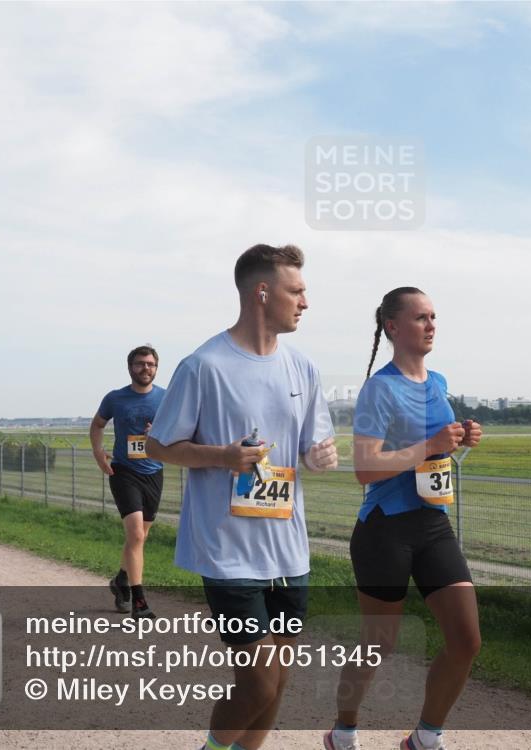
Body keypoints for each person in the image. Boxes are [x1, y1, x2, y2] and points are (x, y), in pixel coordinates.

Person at [146, 244, 338, 750]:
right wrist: (223, 458)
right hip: (228, 551)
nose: (305, 302)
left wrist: (319, 459)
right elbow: (160, 445)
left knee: (279, 681)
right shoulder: (204, 365)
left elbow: (310, 448)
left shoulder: (304, 369)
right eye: (296, 291)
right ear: (262, 292)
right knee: (256, 683)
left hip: (288, 550)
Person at [324, 288, 483, 750]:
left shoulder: (438, 382)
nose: (431, 325)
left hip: (432, 524)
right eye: (420, 318)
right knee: (380, 644)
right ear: (393, 327)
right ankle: (343, 730)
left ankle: (425, 738)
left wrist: (464, 437)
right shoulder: (380, 388)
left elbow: (437, 444)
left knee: (466, 639)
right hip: (385, 529)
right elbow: (365, 468)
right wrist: (432, 445)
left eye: (434, 317)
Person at [90, 345, 166, 619]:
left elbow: (181, 432)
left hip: (154, 472)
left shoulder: (166, 398)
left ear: (156, 368)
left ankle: (121, 580)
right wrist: (99, 454)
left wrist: (160, 432)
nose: (145, 368)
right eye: (139, 364)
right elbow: (97, 424)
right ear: (130, 367)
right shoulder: (115, 398)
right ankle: (139, 601)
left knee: (140, 537)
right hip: (123, 472)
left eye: (150, 364)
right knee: (135, 535)